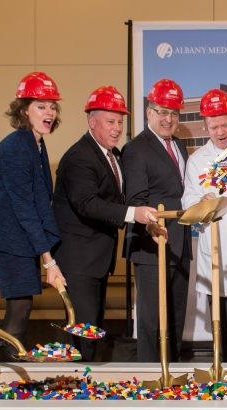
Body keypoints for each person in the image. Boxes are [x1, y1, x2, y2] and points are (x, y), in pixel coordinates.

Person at [52, 85, 160, 361]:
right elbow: (86, 203)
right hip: (79, 260)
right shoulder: (79, 157)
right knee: (82, 331)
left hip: (97, 258)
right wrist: (132, 213)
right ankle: (74, 390)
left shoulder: (113, 155)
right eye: (110, 121)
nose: (117, 128)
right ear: (91, 121)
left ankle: (83, 385)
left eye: (120, 122)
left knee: (92, 327)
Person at [0, 72, 64, 362]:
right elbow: (25, 208)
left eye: (52, 106)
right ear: (24, 110)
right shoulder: (15, 147)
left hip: (21, 236)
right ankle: (10, 374)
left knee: (22, 304)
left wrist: (47, 255)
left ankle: (14, 369)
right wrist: (48, 259)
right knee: (20, 305)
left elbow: (40, 202)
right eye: (41, 106)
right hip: (7, 237)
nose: (49, 112)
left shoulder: (35, 143)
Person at [182, 89, 227, 362]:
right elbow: (188, 199)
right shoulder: (197, 159)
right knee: (222, 317)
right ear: (205, 126)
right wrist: (200, 200)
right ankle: (224, 368)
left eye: (225, 124)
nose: (220, 131)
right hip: (217, 245)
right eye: (214, 127)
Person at [122, 78, 190, 363]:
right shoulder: (136, 148)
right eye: (162, 111)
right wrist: (150, 225)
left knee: (175, 314)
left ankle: (171, 373)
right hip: (152, 243)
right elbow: (136, 200)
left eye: (174, 113)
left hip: (179, 242)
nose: (168, 119)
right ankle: (150, 377)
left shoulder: (180, 147)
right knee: (152, 318)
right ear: (149, 112)